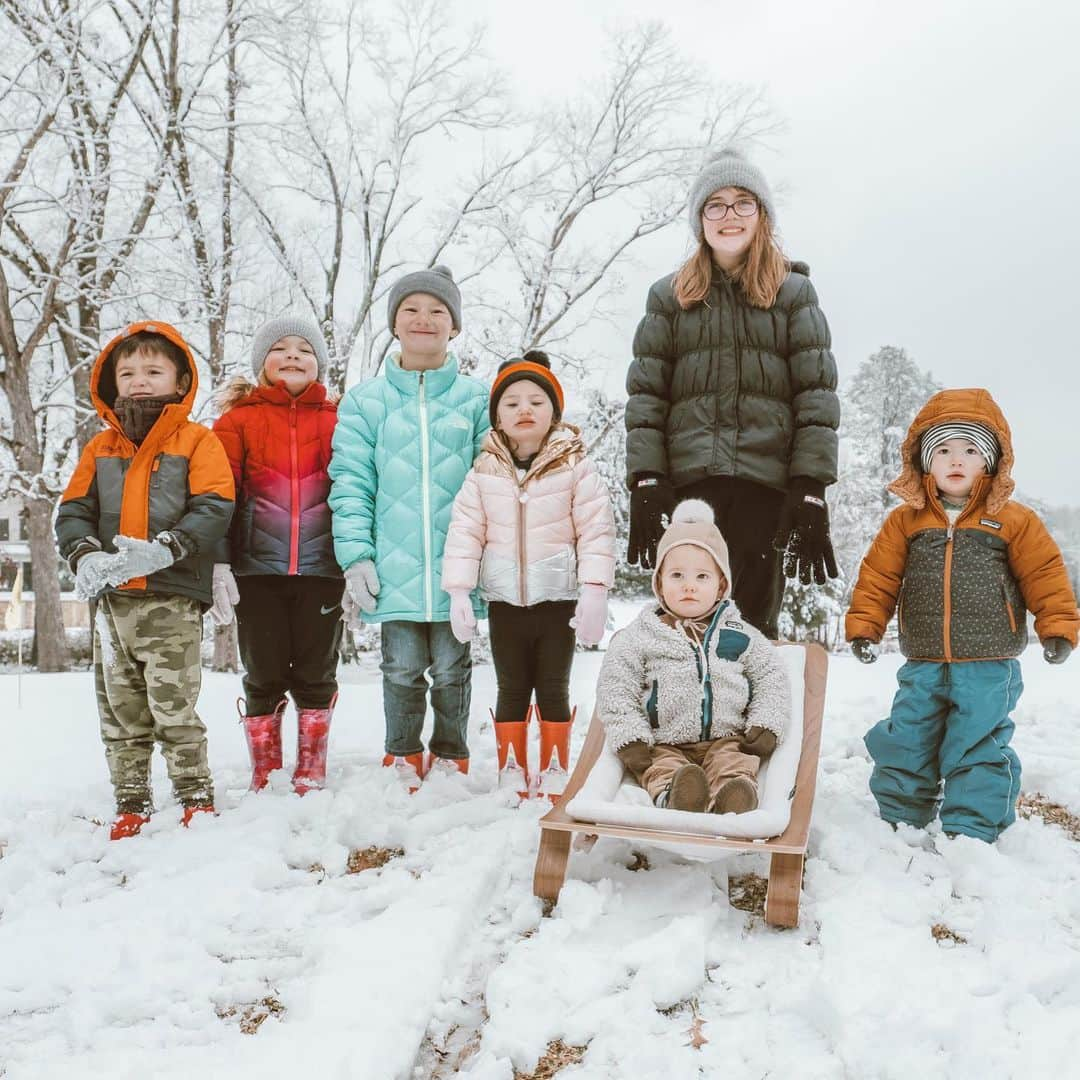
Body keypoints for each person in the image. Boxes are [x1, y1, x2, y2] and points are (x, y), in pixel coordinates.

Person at [625, 146, 841, 639]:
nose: (729, 215)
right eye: (715, 204)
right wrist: (647, 477)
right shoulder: (669, 297)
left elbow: (816, 395)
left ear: (762, 215)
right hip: (690, 489)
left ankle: (754, 718)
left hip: (764, 486)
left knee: (750, 632)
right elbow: (646, 396)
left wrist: (810, 486)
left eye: (743, 202)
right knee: (685, 626)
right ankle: (685, 717)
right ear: (699, 219)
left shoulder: (793, 294)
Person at [846, 388, 1079, 843]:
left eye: (971, 450)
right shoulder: (906, 521)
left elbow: (1044, 573)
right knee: (909, 733)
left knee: (978, 741)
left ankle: (970, 825)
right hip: (925, 658)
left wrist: (1057, 627)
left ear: (989, 463)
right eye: (944, 450)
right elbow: (878, 577)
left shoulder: (1013, 520)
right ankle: (901, 814)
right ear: (925, 462)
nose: (957, 459)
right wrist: (864, 629)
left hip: (989, 662)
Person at [55, 322, 235, 839]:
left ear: (179, 382)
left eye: (153, 371)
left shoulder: (197, 441)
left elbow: (215, 505)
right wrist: (85, 554)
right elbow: (74, 511)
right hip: (112, 604)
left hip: (171, 599)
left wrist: (168, 547)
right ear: (111, 383)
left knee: (173, 705)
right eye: (127, 372)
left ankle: (194, 795)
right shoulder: (100, 449)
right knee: (121, 709)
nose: (139, 380)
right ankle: (131, 799)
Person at [329, 266, 488, 791]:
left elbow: (492, 483)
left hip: (456, 571)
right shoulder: (364, 403)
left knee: (450, 668)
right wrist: (356, 556)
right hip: (391, 568)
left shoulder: (476, 401)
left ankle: (451, 752)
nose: (424, 320)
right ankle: (401, 752)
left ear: (454, 326)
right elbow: (351, 483)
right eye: (411, 310)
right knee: (400, 668)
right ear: (394, 324)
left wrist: (484, 561)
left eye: (438, 311)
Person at [442, 351, 616, 800]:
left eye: (536, 401)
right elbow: (465, 529)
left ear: (554, 413)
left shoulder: (575, 466)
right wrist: (459, 590)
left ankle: (556, 766)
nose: (524, 409)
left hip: (557, 601)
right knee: (512, 685)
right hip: (505, 603)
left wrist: (595, 590)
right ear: (497, 415)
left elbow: (596, 529)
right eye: (512, 401)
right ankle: (512, 768)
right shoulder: (484, 471)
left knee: (554, 685)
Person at [211, 315, 343, 794]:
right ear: (261, 363)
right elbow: (219, 496)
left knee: (316, 669)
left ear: (319, 365)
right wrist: (219, 560)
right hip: (256, 571)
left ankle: (311, 763)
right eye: (280, 348)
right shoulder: (236, 422)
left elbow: (353, 492)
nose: (292, 356)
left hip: (322, 571)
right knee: (262, 670)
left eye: (304, 350)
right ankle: (265, 766)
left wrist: (355, 559)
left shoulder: (338, 421)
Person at [597, 500, 790, 814]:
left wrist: (766, 723)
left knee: (735, 763)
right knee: (661, 769)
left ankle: (731, 797)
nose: (689, 586)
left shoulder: (740, 634)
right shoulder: (640, 636)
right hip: (663, 742)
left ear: (720, 586)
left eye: (702, 577)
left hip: (727, 738)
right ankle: (676, 796)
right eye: (677, 575)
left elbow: (772, 678)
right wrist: (630, 736)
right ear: (659, 582)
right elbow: (615, 689)